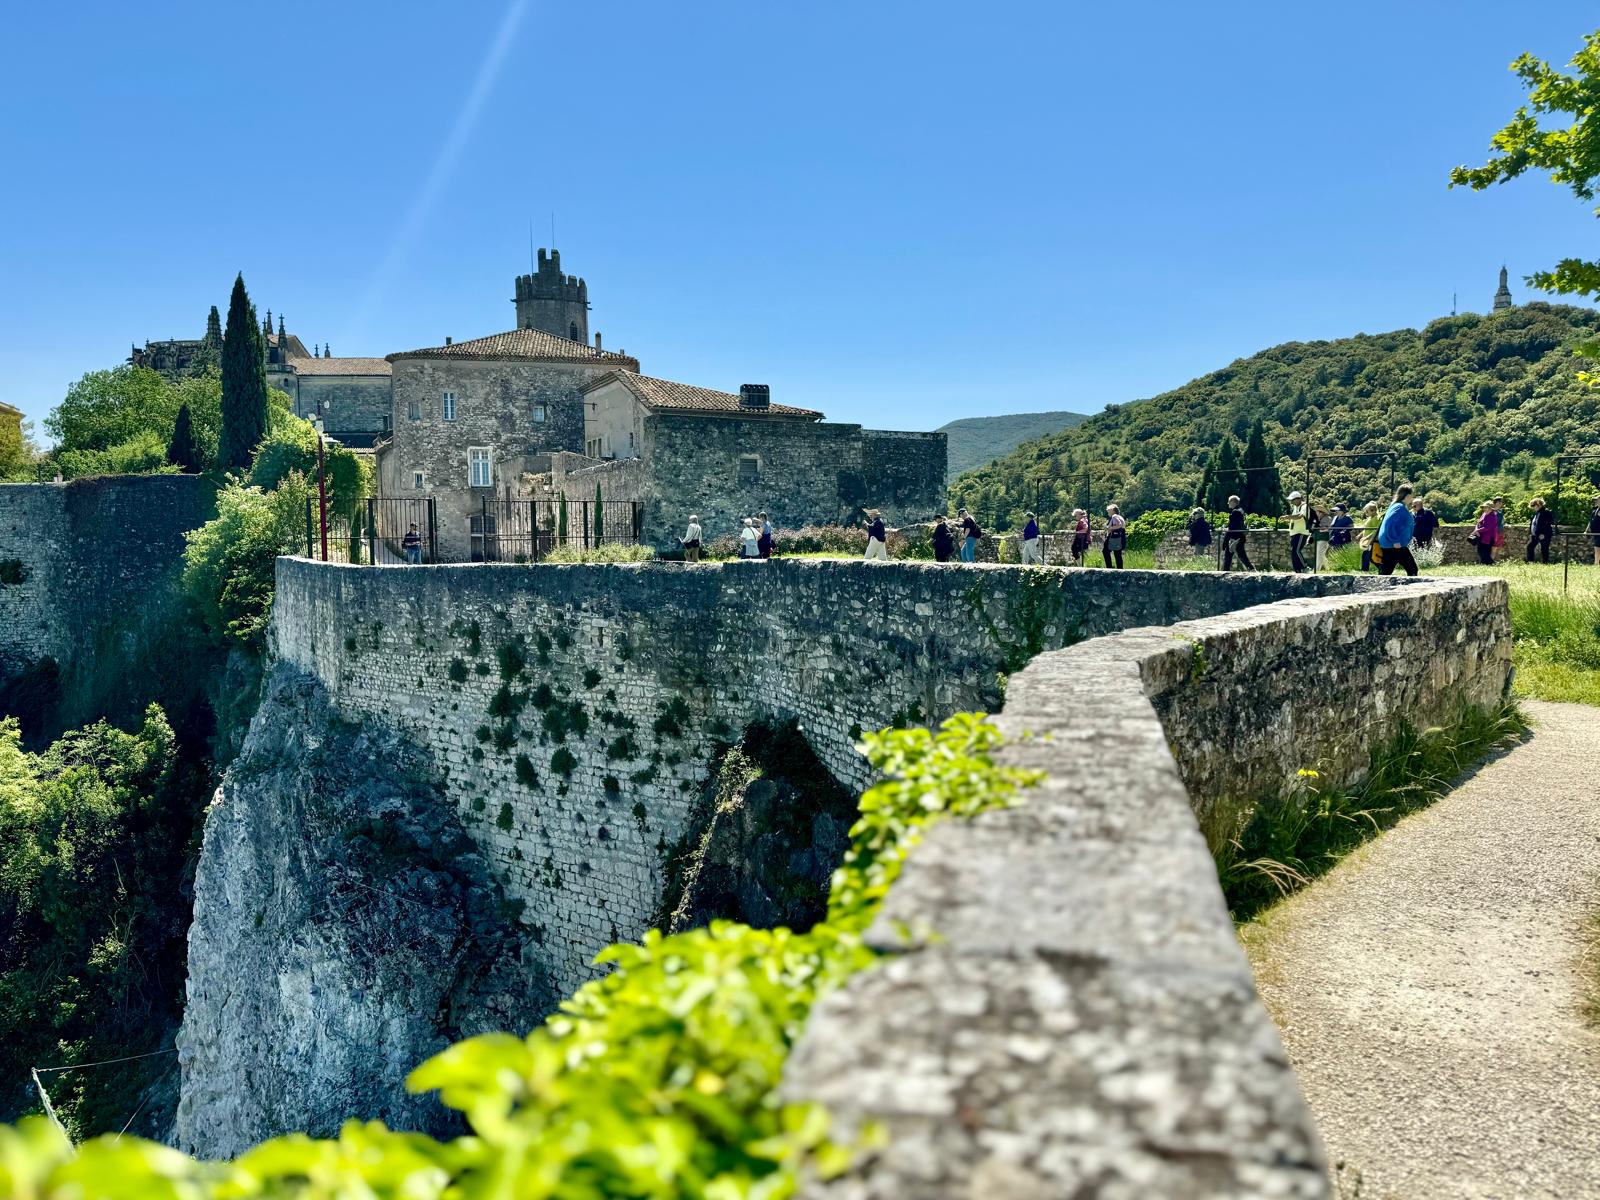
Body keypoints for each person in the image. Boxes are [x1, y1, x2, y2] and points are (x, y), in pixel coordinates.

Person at [1377, 484, 1419, 577]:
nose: (1412, 498)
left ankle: (1377, 587)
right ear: (1407, 496)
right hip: (1395, 545)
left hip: (1391, 544)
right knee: (1412, 569)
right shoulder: (1399, 507)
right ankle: (1411, 590)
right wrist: (1395, 540)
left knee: (1386, 571)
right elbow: (1390, 524)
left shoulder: (1397, 505)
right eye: (1412, 495)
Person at [1222, 495, 1252, 570]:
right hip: (1240, 536)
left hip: (1234, 538)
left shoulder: (1235, 513)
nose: (1228, 503)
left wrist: (1225, 541)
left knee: (1228, 556)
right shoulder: (1241, 511)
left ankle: (1225, 572)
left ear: (1233, 502)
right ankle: (1251, 569)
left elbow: (1231, 528)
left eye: (1229, 502)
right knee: (1242, 555)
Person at [1286, 490, 1310, 573]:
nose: (1291, 502)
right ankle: (1297, 570)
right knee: (1293, 551)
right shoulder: (1296, 507)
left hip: (1301, 532)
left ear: (1298, 499)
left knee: (1296, 550)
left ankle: (1304, 567)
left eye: (1292, 500)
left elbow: (1299, 516)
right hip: (1294, 533)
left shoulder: (1304, 506)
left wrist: (1287, 517)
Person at [1526, 497, 1554, 564]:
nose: (1533, 508)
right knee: (1530, 547)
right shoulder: (1537, 513)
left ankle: (1545, 563)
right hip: (1536, 534)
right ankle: (1531, 562)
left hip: (1542, 534)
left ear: (1538, 504)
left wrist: (1544, 534)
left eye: (1533, 506)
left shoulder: (1546, 512)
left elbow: (1547, 524)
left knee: (1544, 549)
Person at [1356, 501, 1380, 572]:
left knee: (1370, 556)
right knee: (1366, 555)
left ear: (1373, 511)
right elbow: (1366, 529)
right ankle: (1365, 570)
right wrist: (1360, 535)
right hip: (1367, 541)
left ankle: (1381, 568)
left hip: (1371, 540)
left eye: (1367, 511)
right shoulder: (1370, 518)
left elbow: (1375, 530)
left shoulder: (1375, 518)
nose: (1366, 513)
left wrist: (1367, 537)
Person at [1101, 504, 1127, 568]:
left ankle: (1109, 567)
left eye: (1108, 510)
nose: (1107, 512)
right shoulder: (1120, 517)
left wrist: (1108, 528)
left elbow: (1119, 525)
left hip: (1114, 537)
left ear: (1112, 510)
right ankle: (1120, 569)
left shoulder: (1114, 516)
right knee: (1117, 553)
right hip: (1121, 536)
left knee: (1105, 551)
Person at [1470, 501, 1496, 566]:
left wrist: (1477, 531)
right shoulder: (1484, 514)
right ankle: (1485, 564)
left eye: (1486, 507)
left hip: (1489, 537)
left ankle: (1490, 564)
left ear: (1491, 509)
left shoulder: (1493, 516)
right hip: (1482, 535)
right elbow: (1479, 523)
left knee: (1485, 552)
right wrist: (1476, 530)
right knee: (1480, 551)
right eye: (1484, 507)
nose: (1485, 509)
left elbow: (1487, 527)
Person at [1490, 494, 1508, 561]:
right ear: (1495, 502)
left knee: (1498, 547)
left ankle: (1494, 560)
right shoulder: (1492, 511)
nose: (1500, 503)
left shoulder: (1501, 511)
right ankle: (1491, 561)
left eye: (1501, 502)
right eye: (1499, 502)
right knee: (1494, 547)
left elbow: (1502, 521)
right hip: (1494, 532)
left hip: (1500, 531)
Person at [1589, 496, 1600, 566]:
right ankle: (1596, 563)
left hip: (1599, 533)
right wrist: (1586, 531)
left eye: (1597, 500)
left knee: (1597, 548)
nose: (1596, 502)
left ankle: (1596, 563)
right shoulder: (1595, 510)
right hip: (1595, 533)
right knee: (1597, 548)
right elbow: (1590, 522)